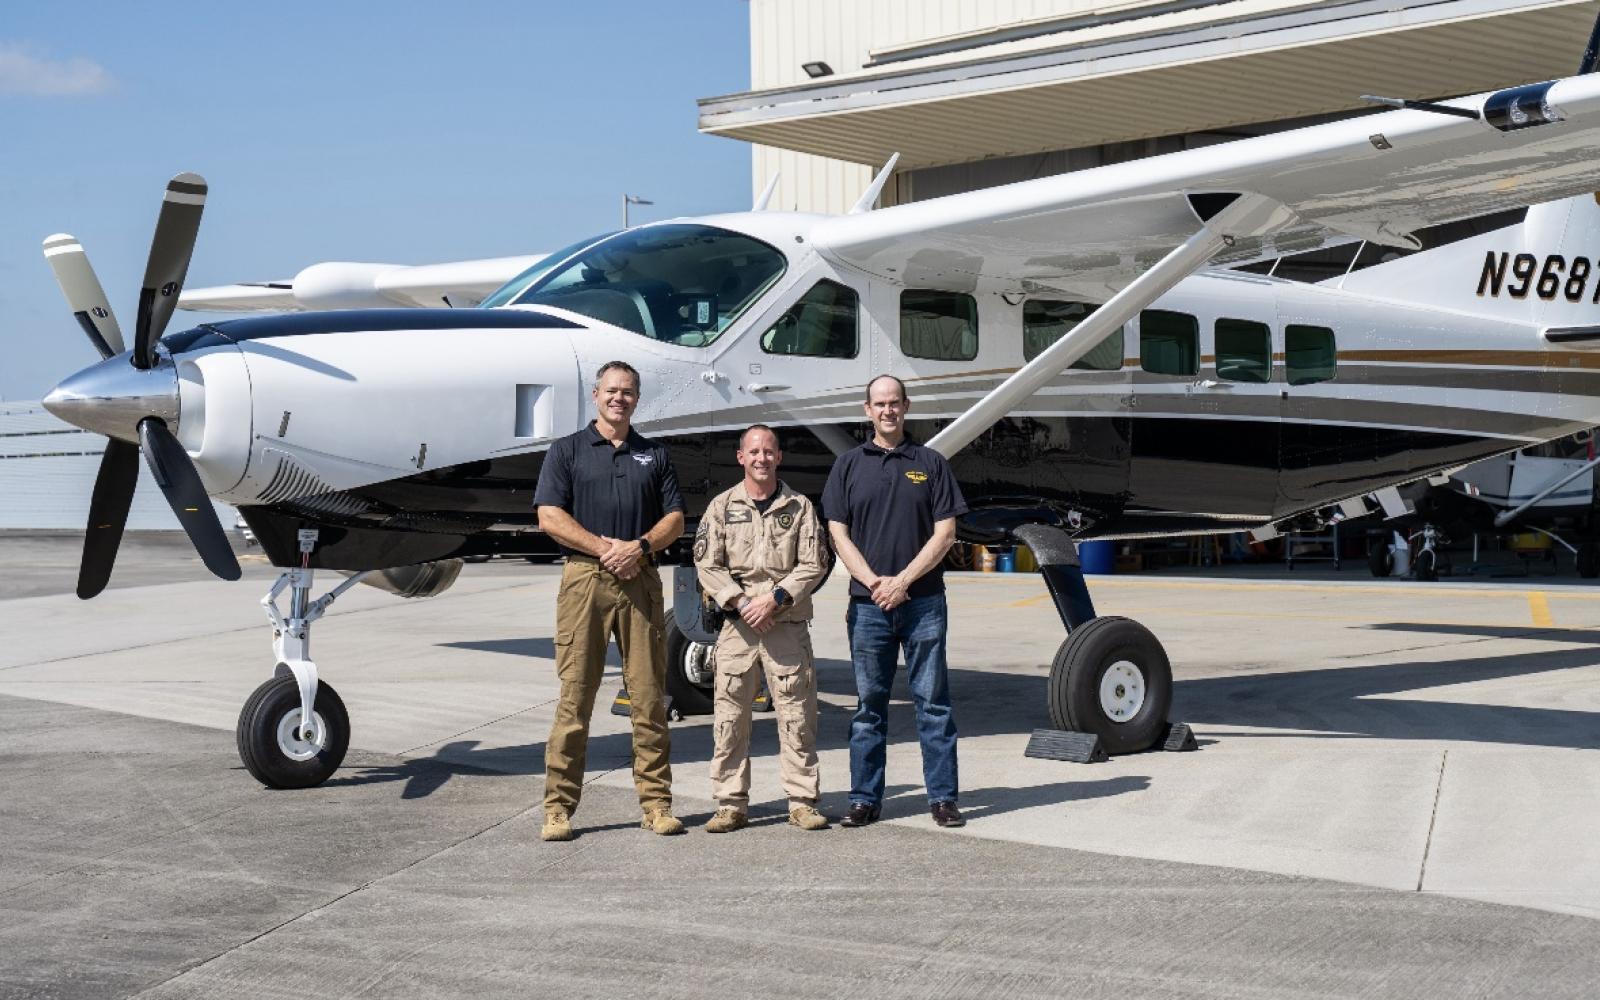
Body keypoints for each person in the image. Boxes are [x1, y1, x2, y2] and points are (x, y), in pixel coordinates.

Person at [532, 360, 686, 841]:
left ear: (637, 399)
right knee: (575, 699)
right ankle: (558, 809)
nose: (620, 398)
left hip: (640, 579)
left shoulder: (654, 454)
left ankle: (657, 805)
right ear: (596, 394)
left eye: (629, 392)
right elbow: (549, 516)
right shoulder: (568, 451)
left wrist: (638, 548)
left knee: (648, 700)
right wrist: (605, 549)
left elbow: (676, 519)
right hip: (585, 581)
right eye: (612, 390)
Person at [821, 374, 969, 829]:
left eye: (894, 403)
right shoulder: (847, 465)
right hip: (868, 608)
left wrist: (902, 580)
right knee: (869, 707)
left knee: (933, 704)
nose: (887, 410)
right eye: (879, 404)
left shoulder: (931, 463)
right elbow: (836, 532)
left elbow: (946, 533)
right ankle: (865, 799)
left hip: (923, 602)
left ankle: (942, 798)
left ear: (906, 407)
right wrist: (873, 582)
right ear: (867, 410)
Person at [694, 424, 831, 833]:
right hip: (738, 627)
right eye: (753, 452)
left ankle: (802, 801)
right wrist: (740, 602)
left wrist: (774, 599)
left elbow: (814, 563)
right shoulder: (721, 507)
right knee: (730, 717)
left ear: (779, 457)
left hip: (784, 623)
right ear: (741, 457)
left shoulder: (800, 507)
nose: (761, 458)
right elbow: (707, 563)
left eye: (768, 452)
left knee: (797, 716)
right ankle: (730, 803)